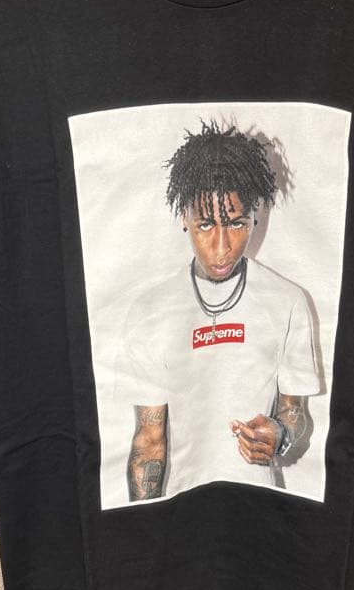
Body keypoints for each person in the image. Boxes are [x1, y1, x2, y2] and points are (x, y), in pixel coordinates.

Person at [116, 116, 322, 502]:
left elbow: (296, 414)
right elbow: (148, 443)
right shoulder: (151, 310)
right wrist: (143, 528)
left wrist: (280, 433)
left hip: (260, 510)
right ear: (184, 217)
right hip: (182, 512)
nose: (223, 246)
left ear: (255, 216)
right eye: (206, 225)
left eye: (237, 224)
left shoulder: (287, 301)